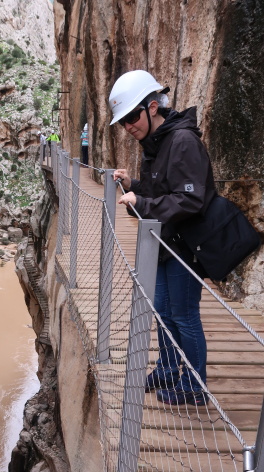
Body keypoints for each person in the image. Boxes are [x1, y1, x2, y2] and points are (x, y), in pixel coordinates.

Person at [109, 70, 216, 406]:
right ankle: (169, 369)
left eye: (131, 117)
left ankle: (195, 386)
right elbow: (161, 192)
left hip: (186, 245)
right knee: (164, 311)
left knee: (183, 314)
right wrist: (134, 187)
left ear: (152, 107)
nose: (128, 126)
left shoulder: (182, 142)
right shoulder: (156, 143)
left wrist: (142, 202)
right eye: (123, 121)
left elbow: (189, 199)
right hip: (167, 242)